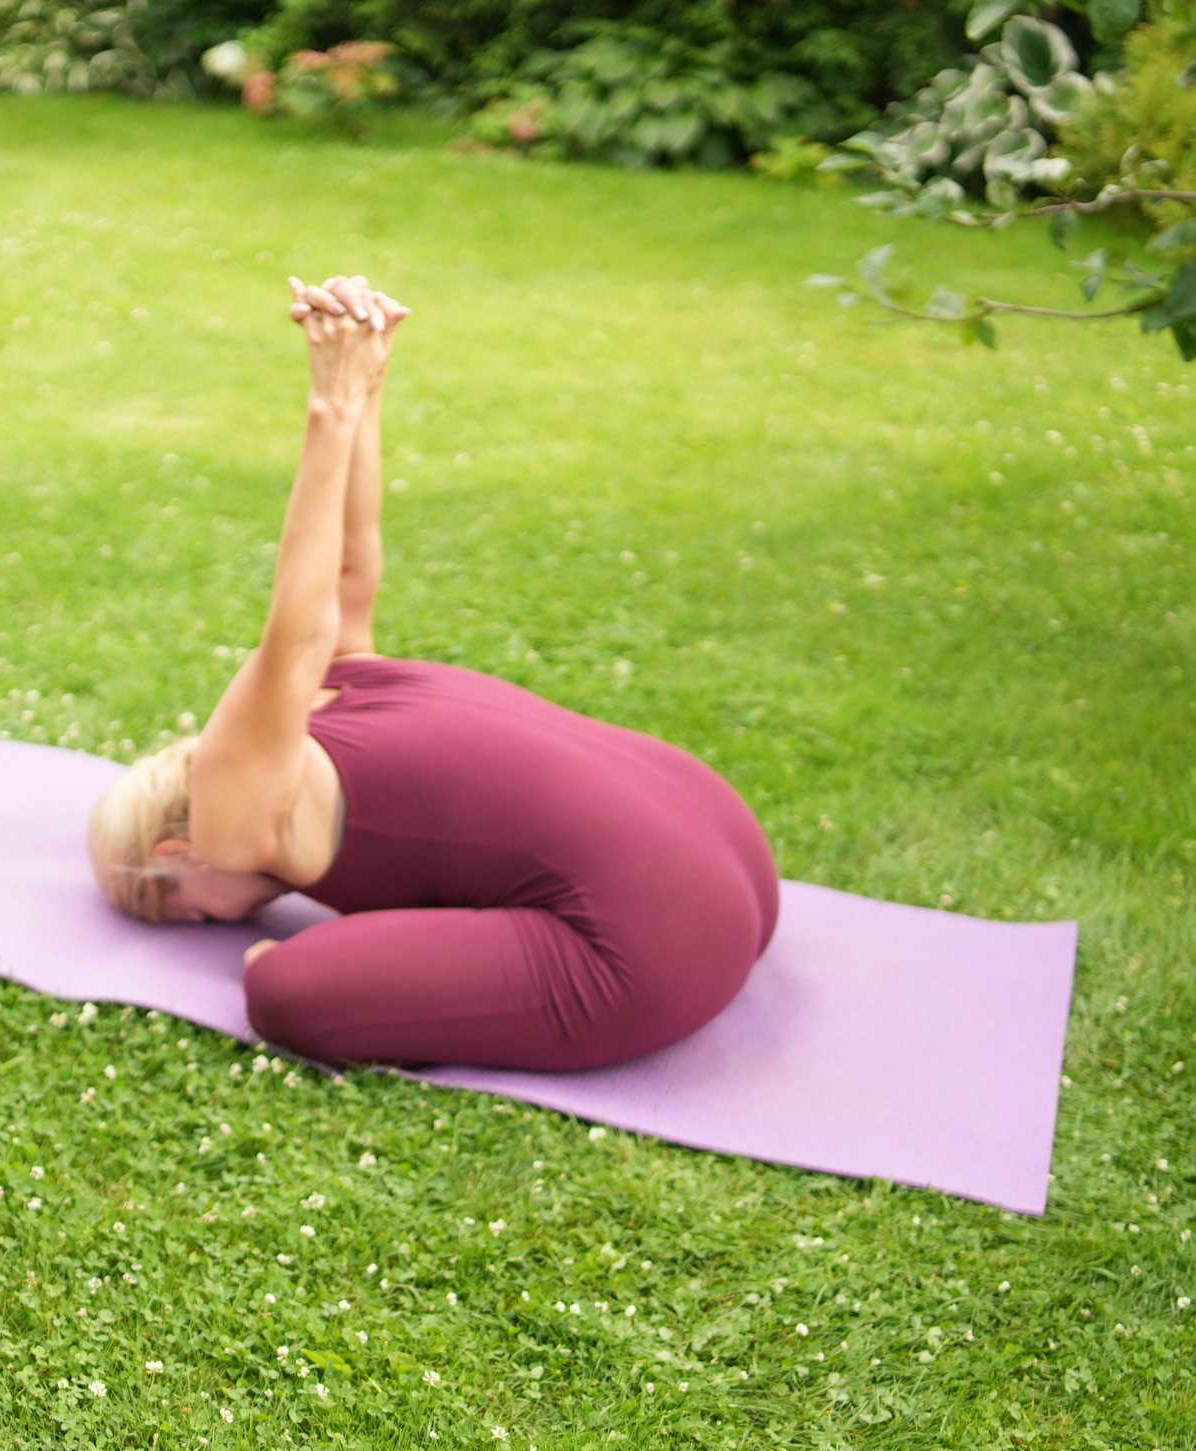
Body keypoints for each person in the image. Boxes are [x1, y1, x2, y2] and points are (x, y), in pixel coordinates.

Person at [87, 275, 777, 1072]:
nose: (223, 924)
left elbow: (294, 626)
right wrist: (371, 379)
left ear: (177, 854)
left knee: (284, 989)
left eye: (195, 918)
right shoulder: (344, 679)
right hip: (726, 844)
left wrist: (334, 403)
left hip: (662, 945)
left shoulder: (232, 818)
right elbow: (351, 565)